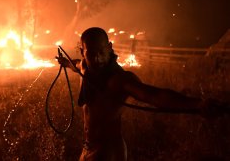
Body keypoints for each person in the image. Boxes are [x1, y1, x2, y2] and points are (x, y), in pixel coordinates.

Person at [57, 27, 222, 161]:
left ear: (109, 47)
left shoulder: (120, 80)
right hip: (87, 148)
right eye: (91, 54)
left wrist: (197, 104)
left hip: (109, 152)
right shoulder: (86, 68)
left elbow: (154, 95)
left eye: (101, 52)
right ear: (82, 52)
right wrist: (65, 63)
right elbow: (76, 65)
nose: (98, 58)